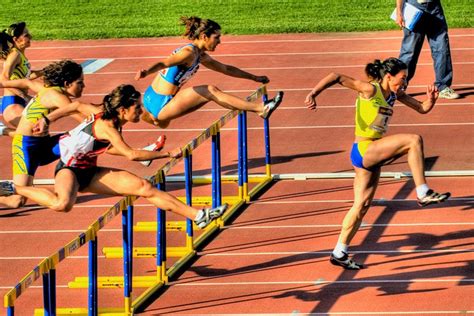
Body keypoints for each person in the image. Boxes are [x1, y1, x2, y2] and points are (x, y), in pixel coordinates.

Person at [0, 84, 227, 229]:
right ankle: (13, 188)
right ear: (123, 109)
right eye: (137, 107)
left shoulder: (101, 112)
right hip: (69, 170)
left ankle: (199, 216)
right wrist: (167, 154)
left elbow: (75, 105)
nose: (141, 111)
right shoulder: (107, 126)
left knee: (144, 187)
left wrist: (49, 119)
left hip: (90, 170)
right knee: (62, 204)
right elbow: (129, 154)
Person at [304, 57, 450, 270]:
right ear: (388, 76)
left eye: (406, 78)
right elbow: (336, 77)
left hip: (373, 154)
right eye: (402, 78)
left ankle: (339, 251)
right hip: (364, 149)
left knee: (361, 206)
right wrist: (314, 93)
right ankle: (422, 192)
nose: (405, 82)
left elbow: (422, 108)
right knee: (413, 140)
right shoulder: (370, 90)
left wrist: (432, 100)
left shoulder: (395, 94)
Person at [135, 16, 283, 129]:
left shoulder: (201, 55)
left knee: (162, 123)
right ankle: (260, 109)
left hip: (152, 98)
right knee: (209, 91)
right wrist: (147, 72)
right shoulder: (189, 53)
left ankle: (152, 131)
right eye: (216, 37)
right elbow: (163, 63)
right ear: (204, 37)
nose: (219, 41)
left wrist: (253, 77)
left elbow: (226, 69)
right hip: (161, 102)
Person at [0, 59, 87, 208]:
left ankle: (73, 177)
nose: (83, 86)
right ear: (66, 84)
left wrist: (7, 84)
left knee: (79, 140)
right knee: (17, 201)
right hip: (25, 147)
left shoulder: (46, 88)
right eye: (80, 82)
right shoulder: (58, 97)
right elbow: (85, 121)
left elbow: (28, 83)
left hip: (44, 144)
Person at [395, 0, 459, 99]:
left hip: (435, 9)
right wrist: (399, 12)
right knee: (409, 51)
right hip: (415, 7)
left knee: (442, 49)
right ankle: (398, 86)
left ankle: (443, 87)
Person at [0, 22, 42, 136]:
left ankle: (2, 129)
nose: (30, 37)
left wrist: (44, 71)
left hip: (20, 101)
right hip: (12, 103)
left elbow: (25, 77)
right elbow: (3, 79)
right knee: (34, 131)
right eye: (26, 35)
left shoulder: (21, 55)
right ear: (16, 39)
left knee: (37, 130)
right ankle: (3, 130)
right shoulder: (15, 55)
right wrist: (25, 96)